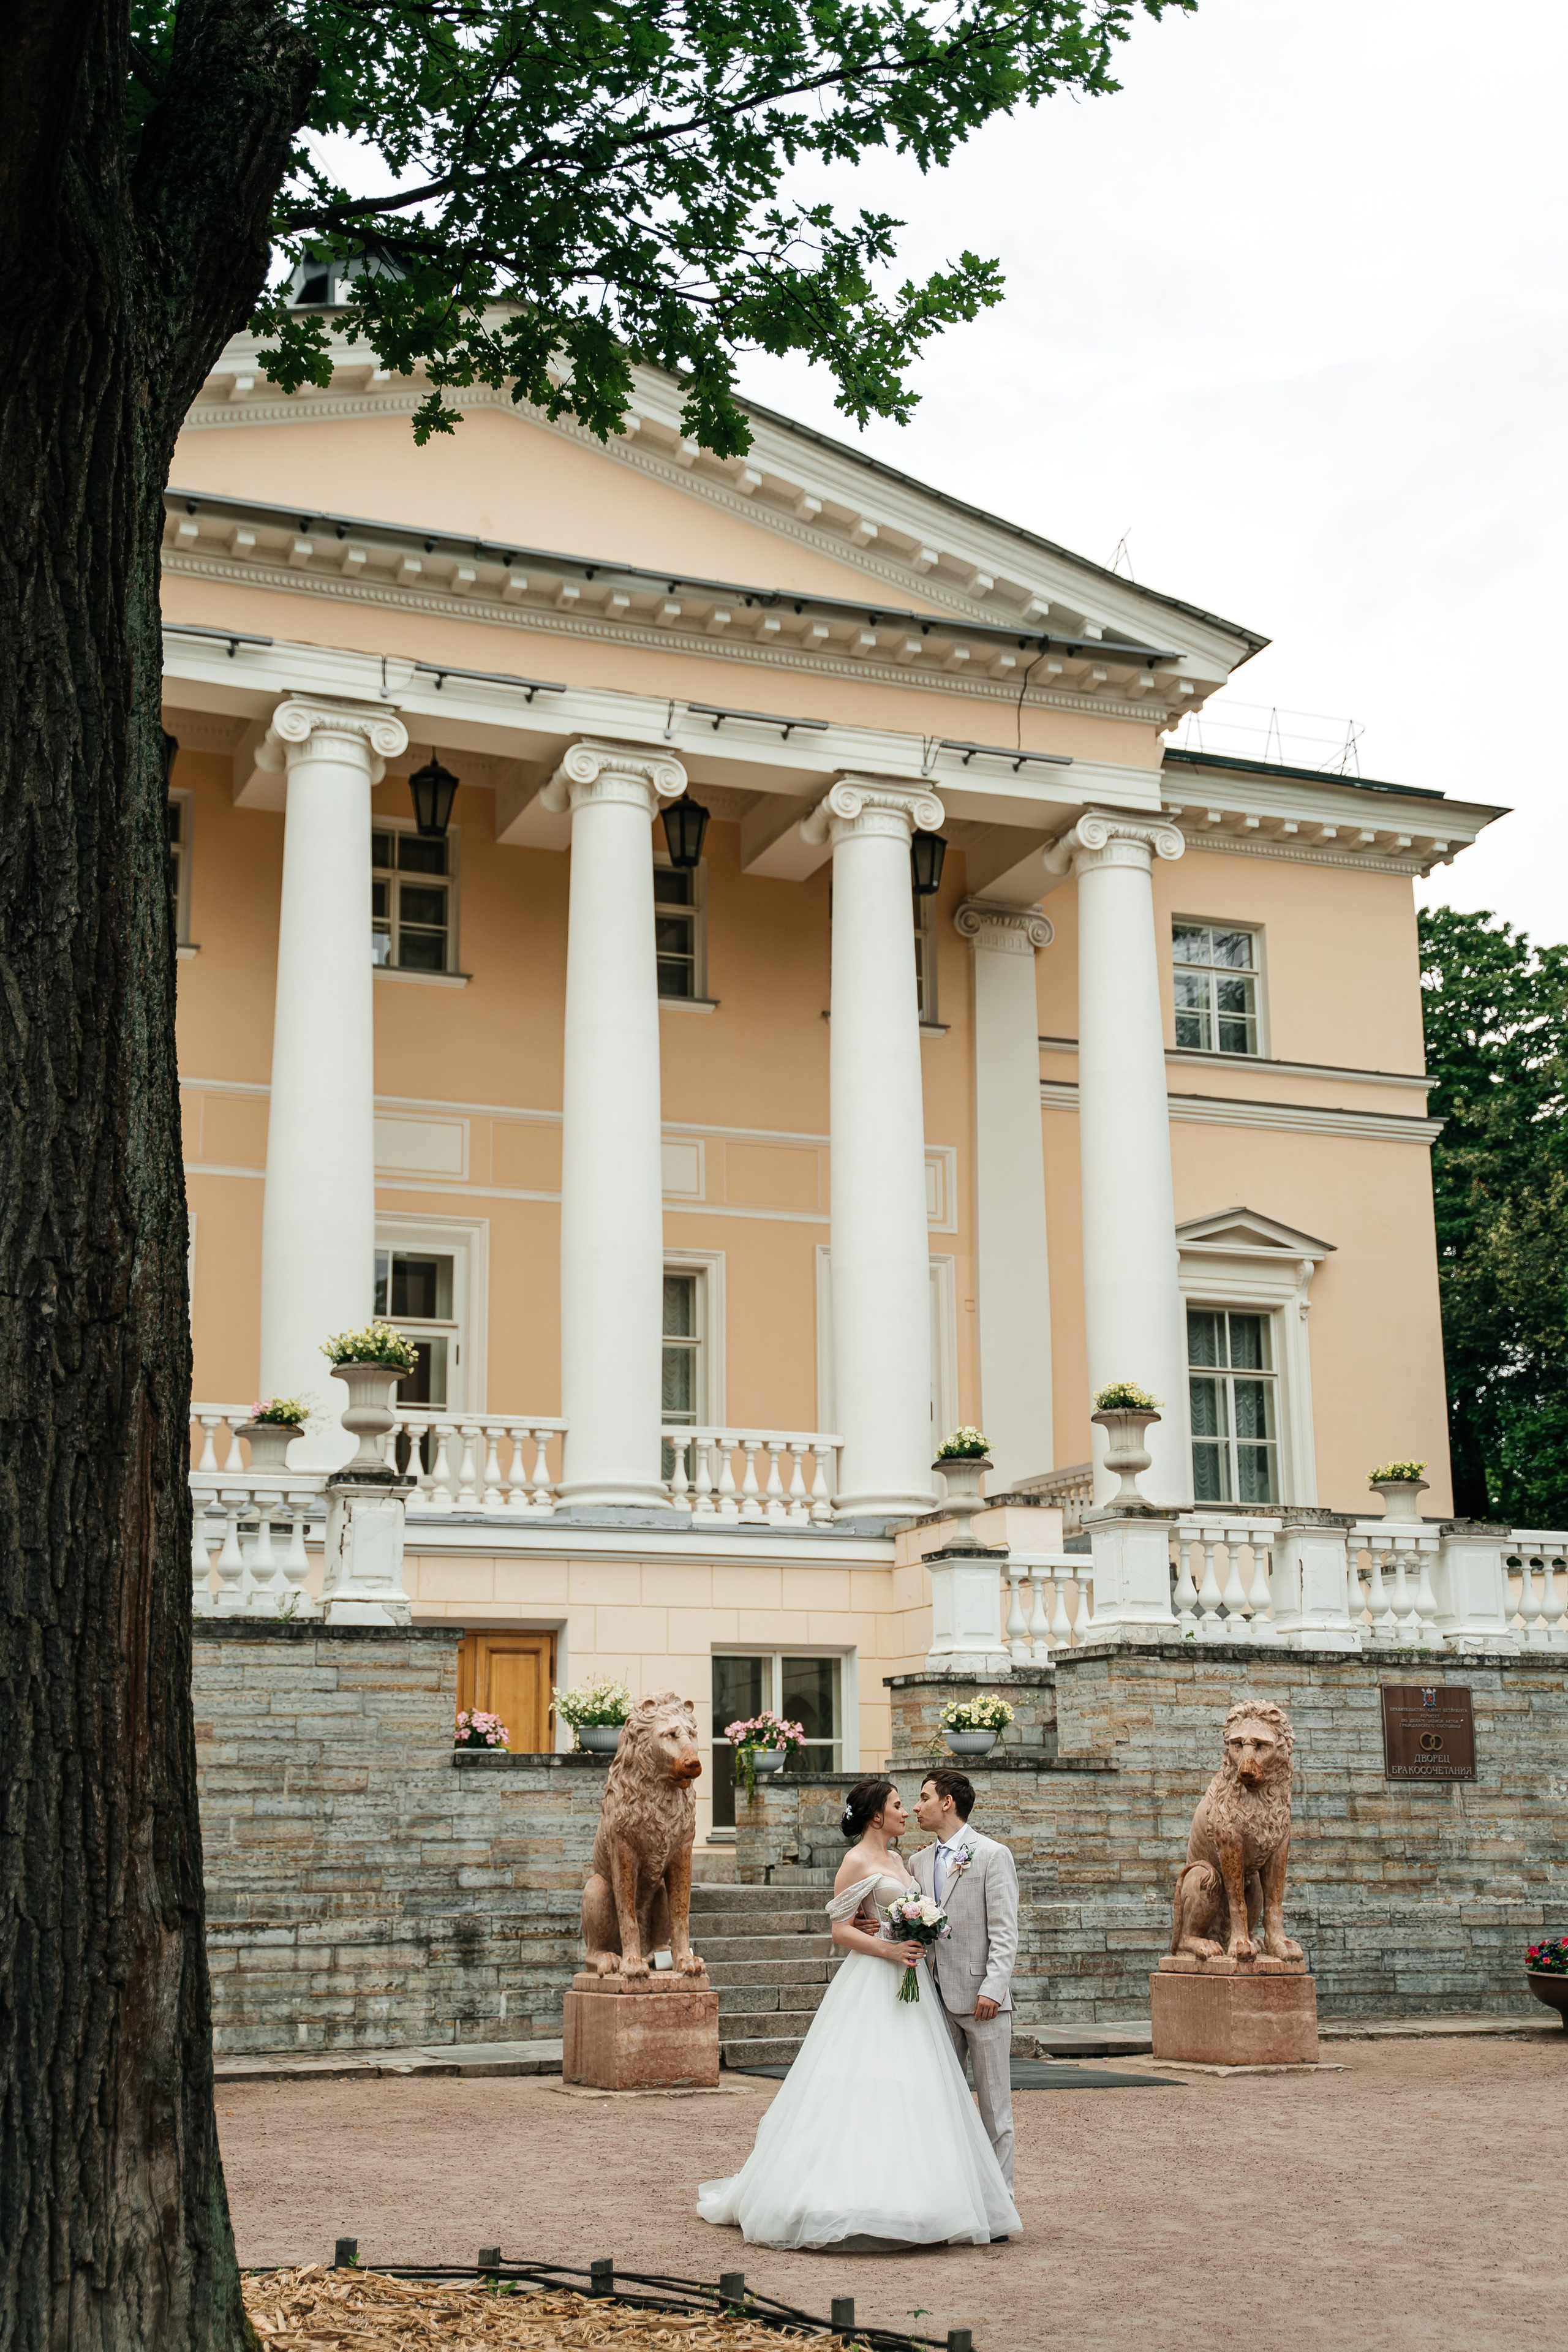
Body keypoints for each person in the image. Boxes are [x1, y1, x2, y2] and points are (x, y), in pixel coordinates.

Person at [696, 1776, 1021, 2249]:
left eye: (917, 1800)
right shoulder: (861, 1861)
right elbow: (840, 1929)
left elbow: (985, 1927)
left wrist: (902, 1935)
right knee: (872, 2086)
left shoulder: (909, 1860)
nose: (909, 1810)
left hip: (930, 1990)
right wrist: (886, 1946)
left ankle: (982, 2205)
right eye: (899, 1804)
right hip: (880, 1980)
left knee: (940, 2098)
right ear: (876, 1815)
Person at [908, 1770, 1019, 2193]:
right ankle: (954, 2196)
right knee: (943, 2107)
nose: (916, 1807)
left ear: (947, 1802)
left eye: (924, 1797)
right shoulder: (918, 1862)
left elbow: (1005, 1931)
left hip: (983, 2001)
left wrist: (993, 1989)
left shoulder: (993, 1855)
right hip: (934, 2001)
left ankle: (1001, 2203)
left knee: (995, 2111)